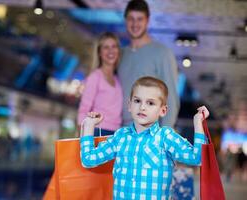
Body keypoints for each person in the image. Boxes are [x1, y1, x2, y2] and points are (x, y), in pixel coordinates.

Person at [80, 76, 208, 199]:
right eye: (137, 101)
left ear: (163, 110)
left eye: (150, 103)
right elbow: (88, 160)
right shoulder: (120, 137)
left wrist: (198, 122)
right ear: (129, 105)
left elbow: (197, 158)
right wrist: (89, 126)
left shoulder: (165, 137)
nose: (142, 107)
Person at [118, 0, 179, 127]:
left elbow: (171, 99)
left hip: (149, 132)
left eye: (140, 19)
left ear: (148, 20)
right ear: (125, 20)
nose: (135, 24)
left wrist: (165, 136)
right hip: (121, 131)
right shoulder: (121, 54)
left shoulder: (162, 53)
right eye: (131, 19)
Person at [77, 32, 123, 136]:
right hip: (98, 131)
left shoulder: (117, 79)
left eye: (114, 46)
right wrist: (81, 138)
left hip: (115, 133)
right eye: (106, 47)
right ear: (99, 52)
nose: (111, 51)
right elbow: (83, 110)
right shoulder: (95, 77)